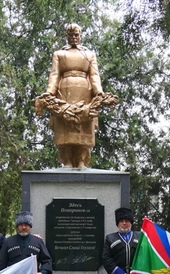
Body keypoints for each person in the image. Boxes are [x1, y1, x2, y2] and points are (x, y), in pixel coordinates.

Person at [34, 23, 117, 168]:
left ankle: (81, 160)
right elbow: (54, 75)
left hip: (85, 94)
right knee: (65, 125)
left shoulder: (89, 55)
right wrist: (49, 94)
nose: (74, 38)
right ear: (67, 37)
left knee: (84, 125)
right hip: (63, 92)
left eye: (76, 35)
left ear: (80, 35)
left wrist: (99, 93)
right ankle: (67, 160)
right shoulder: (59, 54)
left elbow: (94, 75)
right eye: (71, 35)